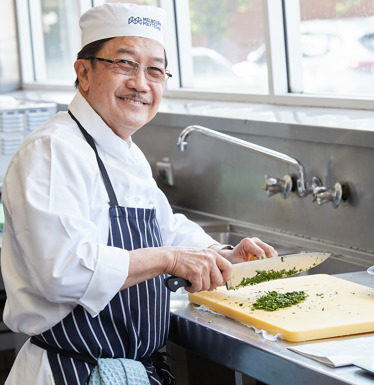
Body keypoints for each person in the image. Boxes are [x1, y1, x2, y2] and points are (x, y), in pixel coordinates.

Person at [0, 3, 277, 385]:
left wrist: (220, 255)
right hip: (71, 372)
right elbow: (61, 271)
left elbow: (163, 226)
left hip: (127, 371)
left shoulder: (124, 150)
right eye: (125, 64)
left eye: (155, 70)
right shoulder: (52, 150)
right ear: (84, 72)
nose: (142, 83)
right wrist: (170, 259)